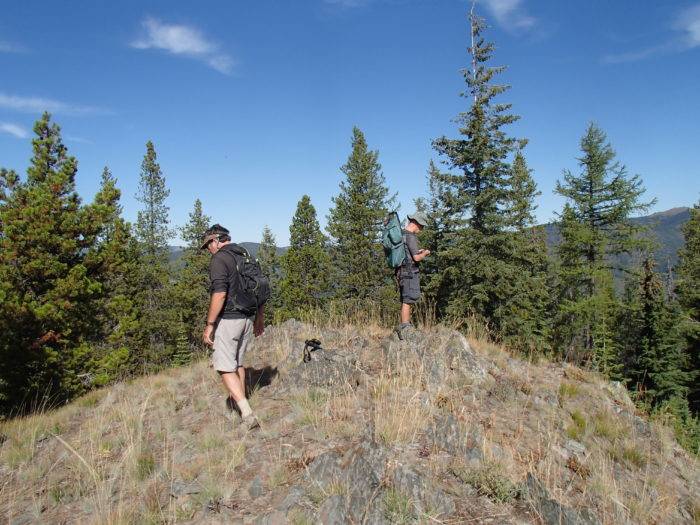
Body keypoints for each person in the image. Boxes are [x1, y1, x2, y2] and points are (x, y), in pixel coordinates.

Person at [201, 224, 265, 430]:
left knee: (223, 366)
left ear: (216, 240)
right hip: (247, 318)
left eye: (208, 245)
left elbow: (219, 294)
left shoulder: (220, 259)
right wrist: (259, 318)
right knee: (237, 363)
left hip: (229, 319)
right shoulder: (245, 255)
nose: (208, 249)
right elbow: (261, 287)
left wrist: (210, 324)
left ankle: (246, 413)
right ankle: (242, 402)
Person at [396, 212, 430, 339]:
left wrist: (417, 252)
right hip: (409, 272)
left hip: (402, 270)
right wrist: (425, 253)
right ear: (417, 223)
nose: (422, 229)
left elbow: (408, 252)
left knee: (406, 298)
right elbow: (416, 258)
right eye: (422, 226)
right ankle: (405, 326)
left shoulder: (402, 234)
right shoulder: (411, 236)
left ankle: (405, 325)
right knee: (407, 300)